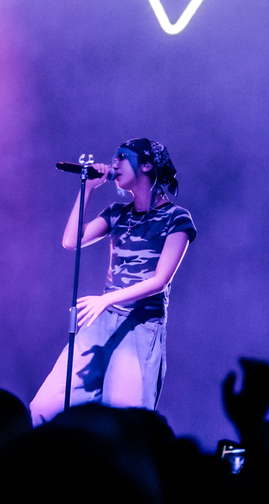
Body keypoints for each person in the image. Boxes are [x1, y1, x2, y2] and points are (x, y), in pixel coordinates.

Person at [30, 138, 196, 424]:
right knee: (44, 407)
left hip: (140, 325)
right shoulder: (117, 214)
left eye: (122, 156)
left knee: (124, 423)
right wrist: (89, 188)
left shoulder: (176, 218)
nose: (114, 163)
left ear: (146, 164)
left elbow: (160, 281)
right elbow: (71, 241)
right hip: (102, 321)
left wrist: (106, 298)